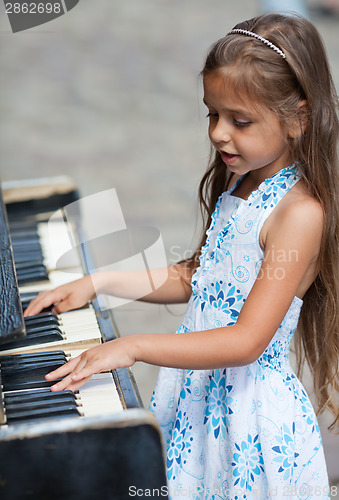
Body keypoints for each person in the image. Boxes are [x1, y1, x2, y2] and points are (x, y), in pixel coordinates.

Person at [24, 13, 339, 499]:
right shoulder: (241, 182)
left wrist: (133, 347)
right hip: (201, 400)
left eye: (240, 121)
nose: (217, 133)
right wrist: (101, 281)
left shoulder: (299, 213)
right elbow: (200, 277)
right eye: (212, 114)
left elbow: (246, 340)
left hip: (249, 424)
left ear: (298, 118)